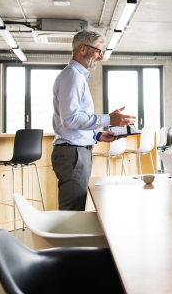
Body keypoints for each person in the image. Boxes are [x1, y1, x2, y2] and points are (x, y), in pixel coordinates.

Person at [52, 30, 135, 211]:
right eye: (98, 50)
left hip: (76, 152)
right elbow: (70, 119)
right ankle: (71, 241)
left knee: (75, 210)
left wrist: (97, 135)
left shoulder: (76, 76)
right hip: (73, 154)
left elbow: (73, 120)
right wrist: (109, 118)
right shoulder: (73, 76)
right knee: (72, 214)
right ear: (83, 49)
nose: (101, 56)